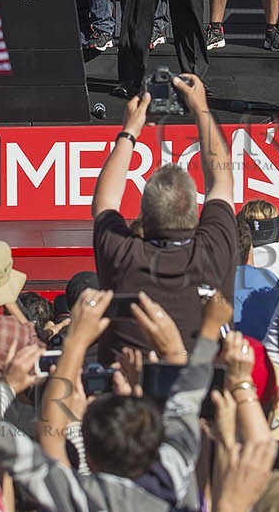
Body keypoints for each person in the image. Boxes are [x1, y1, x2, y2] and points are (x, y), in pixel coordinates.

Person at [90, 75, 236, 365]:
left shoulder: (122, 253)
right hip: (203, 394)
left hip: (125, 399)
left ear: (143, 215)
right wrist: (201, 110)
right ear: (195, 214)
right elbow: (221, 181)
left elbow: (105, 202)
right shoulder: (214, 249)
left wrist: (129, 130)